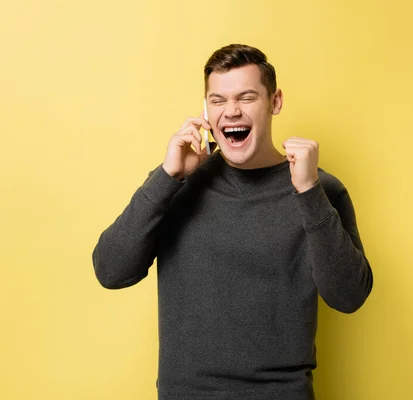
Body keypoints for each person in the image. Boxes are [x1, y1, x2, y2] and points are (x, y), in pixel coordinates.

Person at [92, 44, 373, 400]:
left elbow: (349, 296)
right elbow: (111, 271)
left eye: (247, 97)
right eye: (218, 100)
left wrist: (308, 191)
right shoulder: (176, 183)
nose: (232, 111)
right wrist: (166, 176)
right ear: (206, 110)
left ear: (275, 102)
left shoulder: (319, 190)